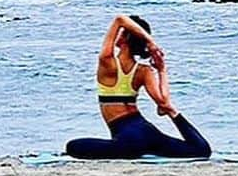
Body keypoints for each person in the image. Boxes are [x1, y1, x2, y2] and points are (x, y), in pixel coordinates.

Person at [64, 13, 212, 160]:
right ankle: (174, 116)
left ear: (126, 36)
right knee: (200, 150)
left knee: (72, 146)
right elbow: (163, 104)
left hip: (127, 138)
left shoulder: (107, 62)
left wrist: (150, 41)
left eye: (122, 32)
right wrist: (162, 70)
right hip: (147, 132)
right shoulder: (144, 70)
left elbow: (119, 19)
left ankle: (128, 150)